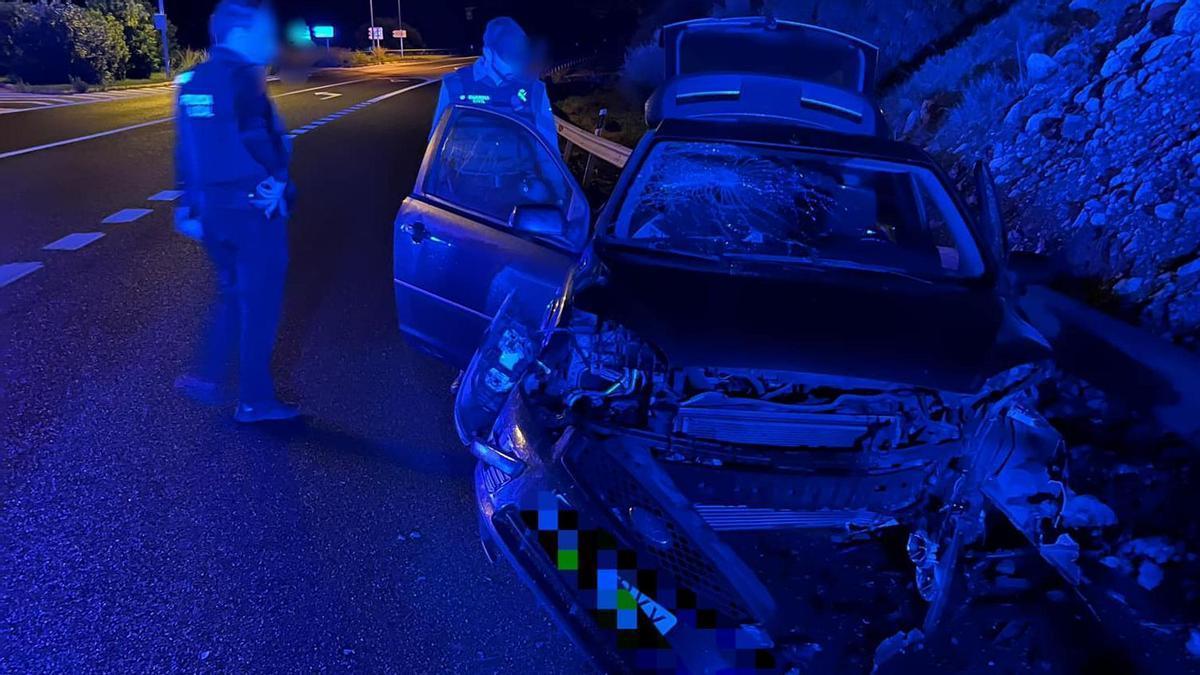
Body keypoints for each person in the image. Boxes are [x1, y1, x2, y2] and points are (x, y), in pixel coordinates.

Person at [173, 0, 299, 423]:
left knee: (232, 296)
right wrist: (279, 176)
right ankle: (255, 401)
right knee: (260, 308)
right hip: (252, 213)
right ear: (239, 33)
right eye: (262, 31)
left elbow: (185, 148)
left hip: (213, 215)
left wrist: (186, 203)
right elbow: (258, 137)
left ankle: (208, 378)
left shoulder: (192, 81)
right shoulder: (245, 78)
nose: (269, 40)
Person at [431, 17, 557, 148]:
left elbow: (548, 147)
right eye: (509, 56)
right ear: (488, 53)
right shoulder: (455, 85)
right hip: (466, 168)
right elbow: (436, 143)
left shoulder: (535, 89)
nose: (517, 66)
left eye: (520, 56)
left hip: (519, 169)